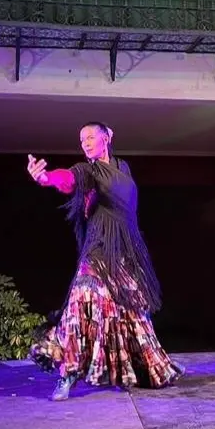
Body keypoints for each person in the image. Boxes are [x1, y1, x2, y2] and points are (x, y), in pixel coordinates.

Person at [25, 121, 184, 401]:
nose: (84, 143)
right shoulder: (89, 170)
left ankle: (152, 366)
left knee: (133, 307)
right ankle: (68, 371)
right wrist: (46, 178)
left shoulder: (123, 167)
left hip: (125, 249)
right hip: (99, 246)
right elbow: (69, 179)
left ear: (106, 138)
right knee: (82, 299)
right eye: (81, 139)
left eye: (90, 137)